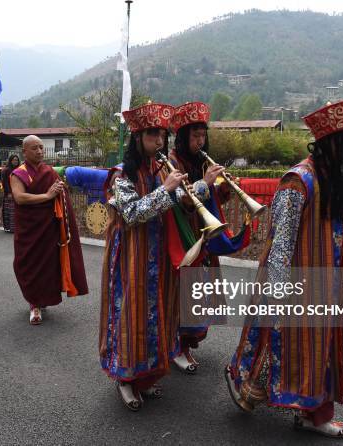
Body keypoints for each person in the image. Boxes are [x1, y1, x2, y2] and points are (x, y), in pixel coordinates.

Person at [226, 98, 343, 438]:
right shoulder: (297, 182)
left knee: (318, 348)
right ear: (332, 141)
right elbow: (280, 246)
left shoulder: (329, 178)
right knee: (278, 343)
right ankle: (245, 384)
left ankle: (310, 414)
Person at [99, 103, 194, 411]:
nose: (160, 141)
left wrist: (196, 193)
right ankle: (126, 379)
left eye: (163, 134)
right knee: (131, 313)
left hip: (159, 255)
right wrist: (165, 191)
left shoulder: (161, 169)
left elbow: (176, 203)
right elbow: (132, 214)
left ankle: (148, 374)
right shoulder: (121, 175)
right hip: (131, 255)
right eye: (153, 134)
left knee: (156, 313)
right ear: (137, 137)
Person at [168, 101, 250, 374]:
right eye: (195, 136)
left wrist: (225, 188)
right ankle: (177, 347)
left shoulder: (200, 160)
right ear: (182, 138)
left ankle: (187, 344)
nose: (200, 141)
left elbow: (210, 201)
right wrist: (205, 182)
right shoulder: (172, 161)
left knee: (199, 292)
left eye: (203, 136)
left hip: (203, 235)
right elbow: (181, 203)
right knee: (182, 294)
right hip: (182, 237)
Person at [10, 135, 88, 325]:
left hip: (48, 228)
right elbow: (20, 198)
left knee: (47, 267)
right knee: (28, 265)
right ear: (24, 152)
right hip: (30, 229)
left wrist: (60, 191)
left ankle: (38, 302)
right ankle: (34, 303)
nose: (39, 151)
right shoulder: (18, 174)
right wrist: (47, 195)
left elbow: (59, 196)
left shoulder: (50, 172)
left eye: (41, 148)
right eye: (34, 148)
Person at [0, 154, 20, 233]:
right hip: (10, 193)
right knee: (10, 211)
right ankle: (9, 228)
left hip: (18, 192)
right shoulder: (6, 170)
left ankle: (17, 228)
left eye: (17, 160)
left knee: (17, 211)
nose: (15, 161)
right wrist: (9, 192)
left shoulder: (20, 169)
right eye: (14, 160)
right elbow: (5, 182)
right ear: (10, 161)